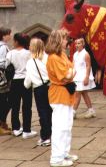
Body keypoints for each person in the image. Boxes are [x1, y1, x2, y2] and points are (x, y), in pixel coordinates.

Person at [46, 29, 78, 167]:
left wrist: (71, 72)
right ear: (58, 40)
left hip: (66, 93)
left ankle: (64, 153)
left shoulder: (62, 55)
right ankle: (56, 158)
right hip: (59, 94)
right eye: (64, 39)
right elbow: (67, 75)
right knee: (60, 127)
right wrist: (71, 72)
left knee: (67, 126)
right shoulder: (53, 57)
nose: (67, 41)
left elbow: (72, 71)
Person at [6, 33, 37, 139]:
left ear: (17, 42)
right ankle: (26, 130)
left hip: (15, 81)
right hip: (26, 81)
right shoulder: (29, 53)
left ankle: (15, 128)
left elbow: (7, 66)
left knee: (15, 105)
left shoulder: (10, 53)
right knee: (27, 106)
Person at [24, 38, 52, 146]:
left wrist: (25, 85)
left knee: (43, 112)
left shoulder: (31, 62)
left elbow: (28, 81)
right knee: (50, 111)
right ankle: (52, 134)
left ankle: (45, 137)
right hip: (50, 86)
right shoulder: (48, 58)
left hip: (39, 89)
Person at [73, 38, 96, 119]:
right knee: (84, 93)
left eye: (79, 43)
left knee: (77, 94)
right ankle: (91, 110)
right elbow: (74, 66)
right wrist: (72, 76)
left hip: (83, 76)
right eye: (76, 43)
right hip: (77, 76)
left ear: (83, 44)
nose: (77, 45)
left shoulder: (86, 54)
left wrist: (87, 77)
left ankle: (73, 112)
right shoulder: (75, 54)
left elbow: (88, 66)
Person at [0, 27, 12, 135]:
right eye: (9, 34)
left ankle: (2, 122)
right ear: (4, 35)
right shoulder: (3, 47)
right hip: (2, 77)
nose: (10, 36)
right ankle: (1, 123)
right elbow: (3, 63)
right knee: (4, 101)